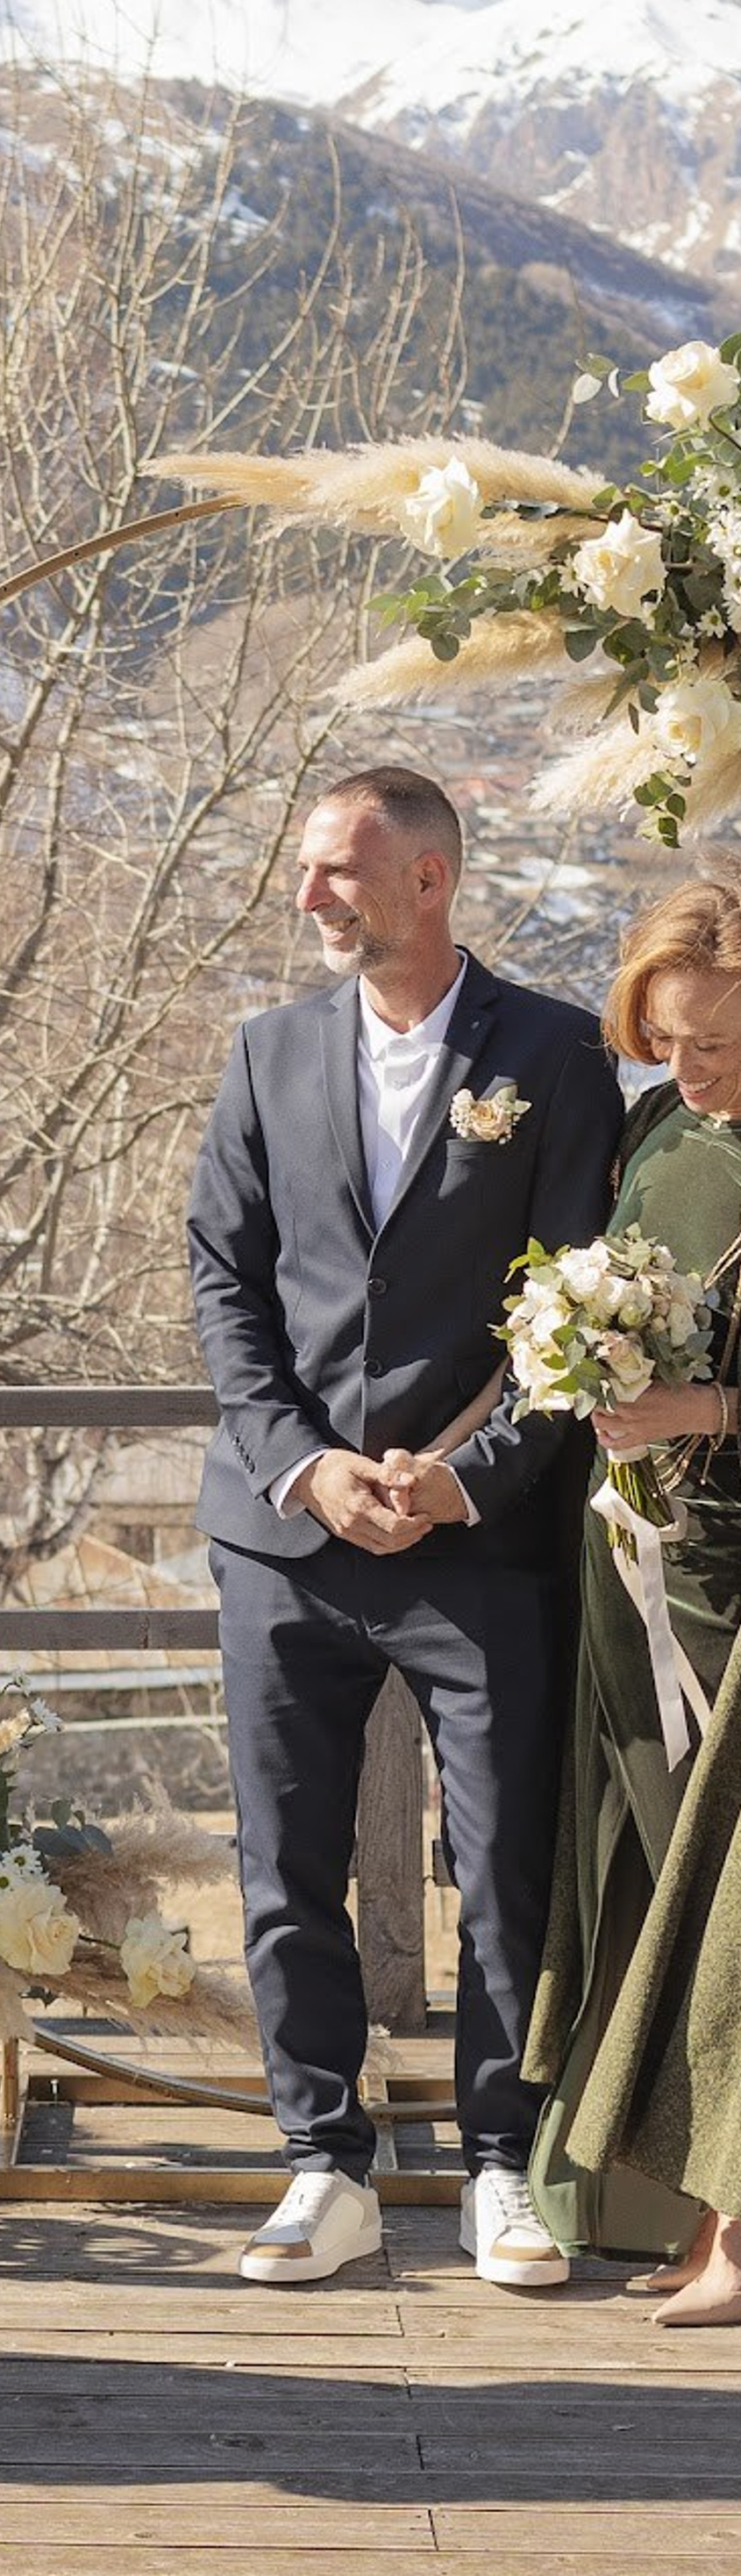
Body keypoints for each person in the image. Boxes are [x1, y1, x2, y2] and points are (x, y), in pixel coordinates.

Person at [187, 766, 623, 2286]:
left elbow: (584, 1311)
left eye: (338, 872)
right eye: (308, 871)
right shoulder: (263, 1056)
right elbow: (226, 1293)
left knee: (503, 1860)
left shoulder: (560, 1056)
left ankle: (504, 2164)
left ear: (429, 879)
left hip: (480, 1540)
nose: (311, 896)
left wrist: (464, 1478)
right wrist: (307, 1470)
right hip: (283, 1535)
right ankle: (322, 2165)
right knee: (282, 1861)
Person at [523, 878, 741, 2322]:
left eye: (720, 1041)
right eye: (668, 1039)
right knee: (654, 1867)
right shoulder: (658, 1130)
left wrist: (694, 1406)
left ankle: (737, 2235)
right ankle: (664, 2198)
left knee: (733, 1895)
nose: (692, 1069)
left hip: (734, 1567)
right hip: (637, 1555)